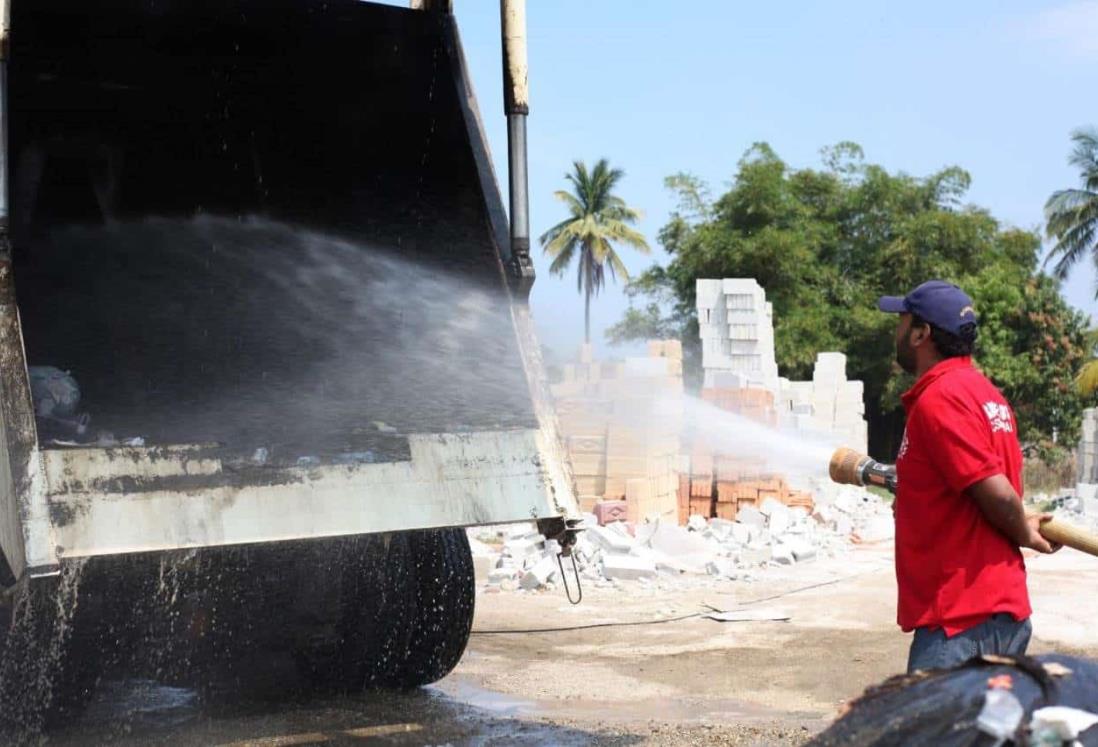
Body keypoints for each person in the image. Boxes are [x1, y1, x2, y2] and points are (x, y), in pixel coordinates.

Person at [877, 279, 1060, 673]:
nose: (897, 331)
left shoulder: (940, 399)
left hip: (959, 621)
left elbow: (995, 491)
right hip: (998, 612)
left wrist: (1024, 532)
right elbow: (973, 491)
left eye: (902, 321)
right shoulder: (986, 394)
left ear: (921, 333)